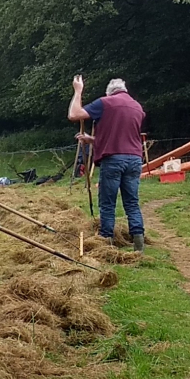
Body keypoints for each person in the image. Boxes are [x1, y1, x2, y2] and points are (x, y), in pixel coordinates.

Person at [69, 76, 146, 251]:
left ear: (109, 92)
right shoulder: (137, 107)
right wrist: (92, 140)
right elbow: (122, 138)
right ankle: (138, 242)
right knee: (132, 202)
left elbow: (74, 114)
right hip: (134, 159)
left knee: (107, 202)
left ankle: (106, 242)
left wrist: (78, 90)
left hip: (113, 160)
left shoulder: (106, 103)